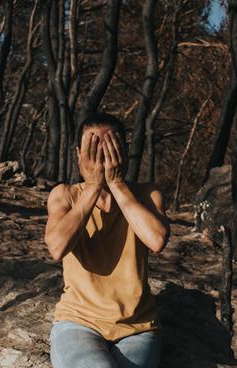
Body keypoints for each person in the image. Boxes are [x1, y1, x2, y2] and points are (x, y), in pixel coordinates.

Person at [44, 112, 170, 368]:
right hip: (78, 322)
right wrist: (92, 187)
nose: (101, 158)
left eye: (109, 149)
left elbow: (157, 240)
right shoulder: (65, 195)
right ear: (79, 154)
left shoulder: (147, 194)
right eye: (92, 149)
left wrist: (117, 184)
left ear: (122, 153)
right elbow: (57, 248)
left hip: (138, 327)